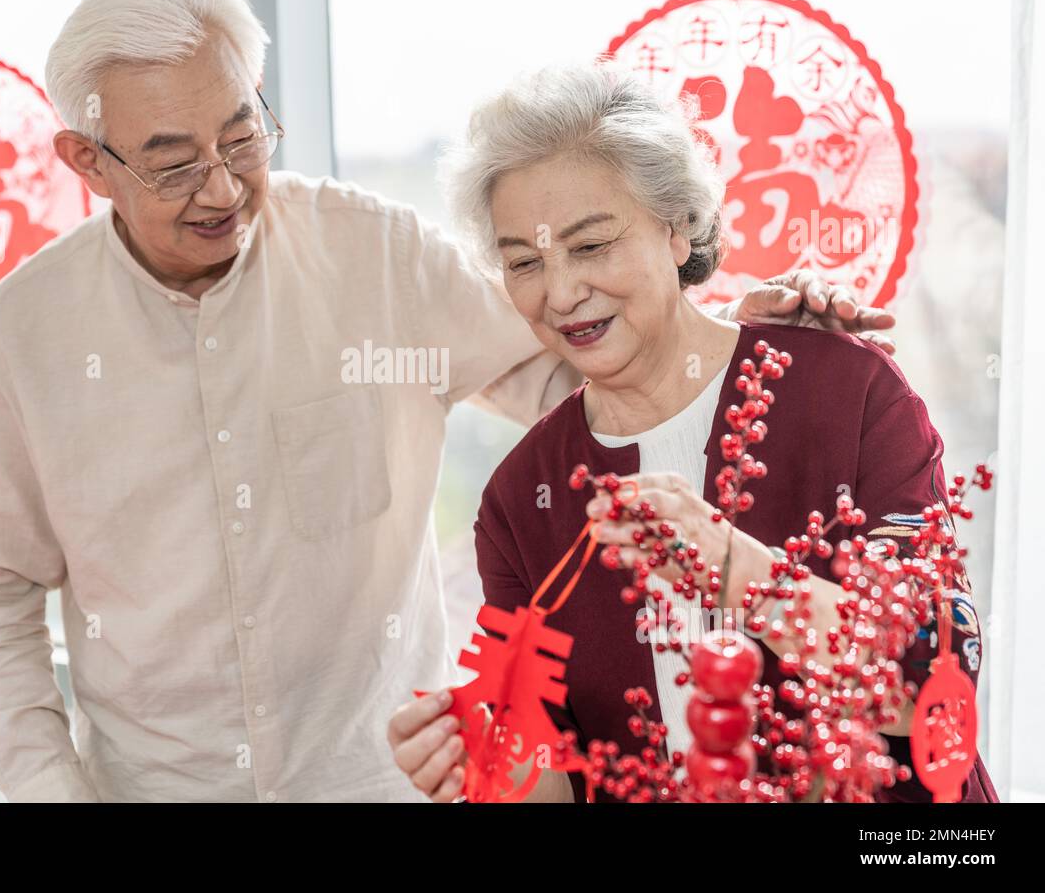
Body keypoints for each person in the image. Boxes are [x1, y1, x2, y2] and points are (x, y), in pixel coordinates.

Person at [0, 0, 894, 802]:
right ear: (86, 163)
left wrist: (727, 335)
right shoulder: (26, 336)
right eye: (174, 165)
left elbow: (571, 354)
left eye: (242, 137)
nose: (224, 189)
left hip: (386, 784)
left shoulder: (374, 255)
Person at [388, 61, 995, 803]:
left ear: (677, 227)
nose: (560, 291)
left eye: (590, 245)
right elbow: (550, 783)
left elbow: (935, 687)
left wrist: (735, 567)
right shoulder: (523, 502)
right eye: (523, 261)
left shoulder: (846, 390)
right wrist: (481, 767)